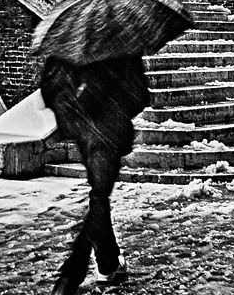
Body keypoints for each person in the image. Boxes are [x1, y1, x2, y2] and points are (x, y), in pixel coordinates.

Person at [40, 53, 151, 294]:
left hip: (84, 134)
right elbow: (140, 96)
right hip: (107, 133)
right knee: (99, 197)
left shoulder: (69, 47)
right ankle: (71, 276)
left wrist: (78, 112)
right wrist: (113, 106)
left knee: (98, 196)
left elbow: (51, 89)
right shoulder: (122, 47)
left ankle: (108, 262)